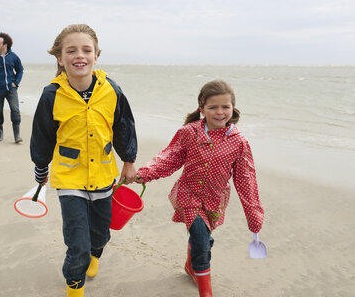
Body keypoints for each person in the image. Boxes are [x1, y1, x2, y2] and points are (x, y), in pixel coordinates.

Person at [30, 24, 137, 297]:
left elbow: (123, 127)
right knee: (77, 244)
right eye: (71, 50)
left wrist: (129, 161)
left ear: (96, 55)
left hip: (103, 176)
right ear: (60, 58)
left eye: (86, 50)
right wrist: (41, 169)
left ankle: (96, 254)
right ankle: (74, 288)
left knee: (100, 235)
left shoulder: (111, 90)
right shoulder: (52, 95)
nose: (80, 55)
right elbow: (42, 136)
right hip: (69, 179)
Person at [136, 80, 264, 297]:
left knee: (203, 239)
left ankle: (190, 265)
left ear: (233, 108)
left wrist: (254, 214)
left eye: (225, 107)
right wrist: (144, 173)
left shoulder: (239, 142)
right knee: (200, 240)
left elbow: (246, 179)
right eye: (213, 107)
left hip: (215, 199)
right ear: (202, 108)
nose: (220, 112)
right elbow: (169, 157)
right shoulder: (189, 132)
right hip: (188, 194)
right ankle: (206, 292)